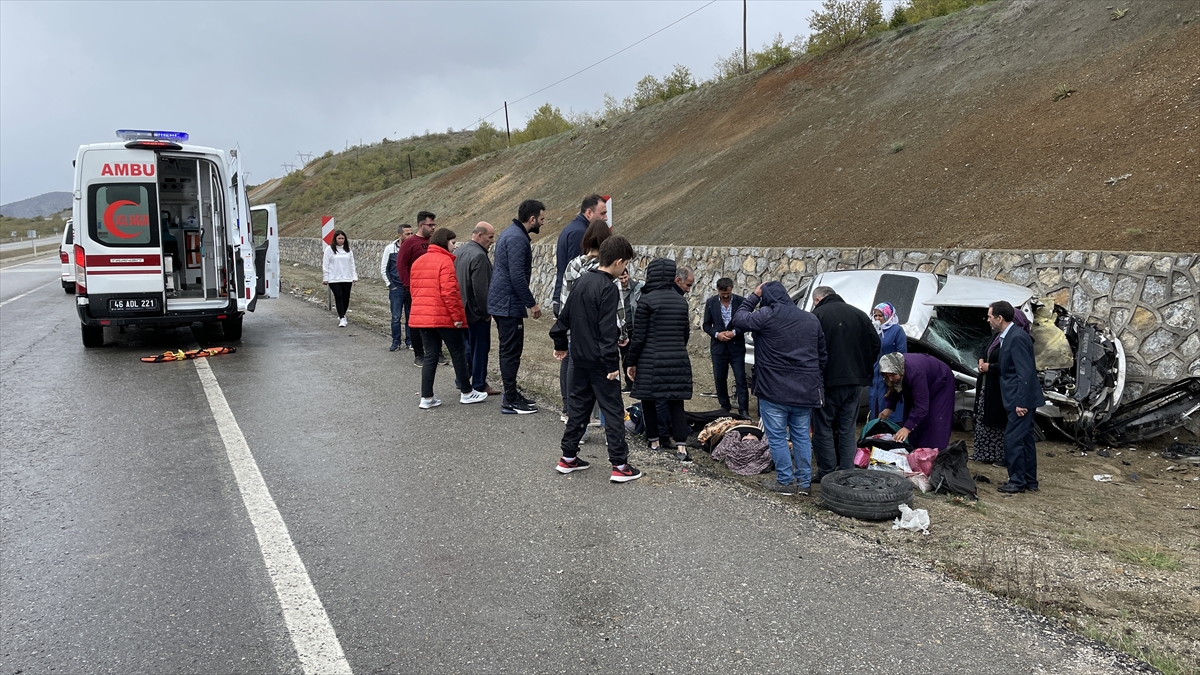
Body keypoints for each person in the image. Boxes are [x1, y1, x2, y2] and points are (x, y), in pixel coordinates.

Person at [550, 236, 642, 483]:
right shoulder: (609, 288)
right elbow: (607, 331)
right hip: (602, 363)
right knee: (612, 411)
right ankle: (620, 465)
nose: (625, 271)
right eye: (625, 265)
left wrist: (560, 343)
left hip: (579, 358)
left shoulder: (580, 282)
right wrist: (613, 365)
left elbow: (563, 318)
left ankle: (568, 457)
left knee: (578, 409)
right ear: (619, 261)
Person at [731, 281, 826, 496]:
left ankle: (785, 482)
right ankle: (804, 483)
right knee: (802, 436)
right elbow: (822, 355)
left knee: (777, 437)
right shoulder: (811, 319)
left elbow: (738, 318)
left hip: (773, 389)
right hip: (804, 391)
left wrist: (754, 296)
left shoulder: (766, 314)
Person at [408, 228, 487, 409]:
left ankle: (426, 397)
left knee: (430, 356)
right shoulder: (445, 261)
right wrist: (457, 317)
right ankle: (467, 392)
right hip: (443, 316)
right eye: (452, 242)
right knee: (458, 353)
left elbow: (414, 290)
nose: (455, 246)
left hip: (422, 316)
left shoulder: (419, 261)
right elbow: (450, 292)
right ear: (444, 243)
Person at [626, 258, 695, 462]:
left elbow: (639, 337)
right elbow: (685, 334)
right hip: (677, 358)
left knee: (649, 400)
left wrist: (631, 361)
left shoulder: (646, 300)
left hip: (650, 359)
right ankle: (681, 447)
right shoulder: (680, 301)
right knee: (676, 402)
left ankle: (655, 442)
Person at [811, 285, 881, 478]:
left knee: (823, 425)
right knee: (847, 427)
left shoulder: (818, 315)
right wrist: (863, 367)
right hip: (856, 382)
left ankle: (826, 470)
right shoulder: (859, 314)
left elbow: (810, 347)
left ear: (818, 299)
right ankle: (847, 470)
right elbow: (876, 344)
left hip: (828, 381)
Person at [487, 199, 544, 414]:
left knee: (509, 350)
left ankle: (511, 394)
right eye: (542, 219)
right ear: (532, 219)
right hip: (508, 304)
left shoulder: (510, 233)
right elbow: (517, 276)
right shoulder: (518, 238)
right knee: (511, 352)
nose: (543, 223)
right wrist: (532, 304)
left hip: (502, 302)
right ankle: (509, 400)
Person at [989, 300, 1045, 494]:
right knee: (1025, 439)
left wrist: (1022, 401)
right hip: (1016, 397)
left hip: (1019, 399)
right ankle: (1029, 480)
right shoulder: (1009, 336)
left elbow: (1025, 372)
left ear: (999, 318)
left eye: (990, 316)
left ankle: (1017, 480)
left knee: (1012, 439)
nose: (988, 320)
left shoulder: (1017, 337)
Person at [558, 220, 613, 419]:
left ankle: (575, 419)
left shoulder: (574, 264)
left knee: (575, 375)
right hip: (601, 331)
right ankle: (607, 424)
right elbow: (617, 304)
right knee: (607, 377)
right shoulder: (608, 267)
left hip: (577, 330)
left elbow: (565, 300)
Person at [454, 222, 499, 396]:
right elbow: (481, 289)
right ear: (479, 235)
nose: (492, 241)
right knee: (480, 349)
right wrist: (486, 313)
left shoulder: (459, 252)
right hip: (476, 313)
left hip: (462, 310)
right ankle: (479, 384)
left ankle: (462, 379)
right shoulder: (479, 256)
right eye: (490, 237)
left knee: (466, 348)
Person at [879, 352, 956, 451]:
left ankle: (932, 454)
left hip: (940, 383)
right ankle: (913, 450)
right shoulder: (892, 373)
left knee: (934, 421)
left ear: (900, 370)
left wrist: (907, 428)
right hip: (919, 384)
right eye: (886, 376)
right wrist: (888, 408)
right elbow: (893, 388)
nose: (890, 379)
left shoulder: (915, 373)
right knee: (910, 416)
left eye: (892, 375)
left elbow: (922, 406)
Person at [553, 194, 607, 317]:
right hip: (572, 302)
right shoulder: (580, 233)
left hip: (564, 295)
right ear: (589, 213)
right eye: (602, 213)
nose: (606, 218)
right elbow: (577, 272)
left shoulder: (573, 228)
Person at [702, 278, 748, 417]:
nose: (726, 296)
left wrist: (733, 333)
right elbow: (706, 325)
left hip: (736, 347)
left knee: (740, 378)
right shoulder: (711, 303)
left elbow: (746, 323)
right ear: (718, 290)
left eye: (728, 292)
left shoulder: (741, 301)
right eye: (723, 293)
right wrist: (717, 335)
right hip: (718, 348)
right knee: (720, 378)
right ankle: (724, 407)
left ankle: (743, 409)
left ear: (732, 288)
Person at [397, 211, 438, 366]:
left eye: (434, 224)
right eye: (430, 224)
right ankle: (419, 354)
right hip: (415, 289)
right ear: (421, 225)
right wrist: (408, 285)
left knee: (435, 320)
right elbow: (401, 265)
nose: (433, 227)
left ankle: (437, 352)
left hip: (433, 288)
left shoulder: (434, 241)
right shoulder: (410, 243)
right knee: (416, 321)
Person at [869, 302, 907, 420]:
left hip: (890, 372)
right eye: (875, 316)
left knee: (888, 399)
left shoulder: (897, 330)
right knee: (874, 399)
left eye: (880, 316)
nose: (877, 318)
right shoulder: (874, 330)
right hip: (875, 372)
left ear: (888, 315)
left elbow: (902, 353)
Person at [381, 223, 413, 351]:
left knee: (410, 316)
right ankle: (396, 341)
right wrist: (391, 285)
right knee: (396, 317)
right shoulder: (390, 249)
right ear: (400, 235)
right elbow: (384, 268)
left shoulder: (412, 248)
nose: (410, 236)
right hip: (397, 288)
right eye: (407, 234)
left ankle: (410, 341)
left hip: (410, 288)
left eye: (412, 233)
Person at [615, 268, 643, 392]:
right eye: (621, 279)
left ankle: (639, 383)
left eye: (625, 277)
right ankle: (629, 383)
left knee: (638, 357)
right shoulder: (614, 289)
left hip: (635, 328)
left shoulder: (638, 288)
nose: (624, 280)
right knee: (625, 356)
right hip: (622, 330)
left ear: (629, 275)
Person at [322, 229, 357, 327]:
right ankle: (342, 317)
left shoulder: (348, 250)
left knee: (346, 298)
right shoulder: (329, 249)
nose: (341, 240)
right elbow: (326, 264)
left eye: (342, 238)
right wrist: (326, 278)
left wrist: (354, 276)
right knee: (339, 297)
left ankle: (343, 313)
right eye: (339, 238)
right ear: (335, 239)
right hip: (334, 278)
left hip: (347, 278)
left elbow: (352, 264)